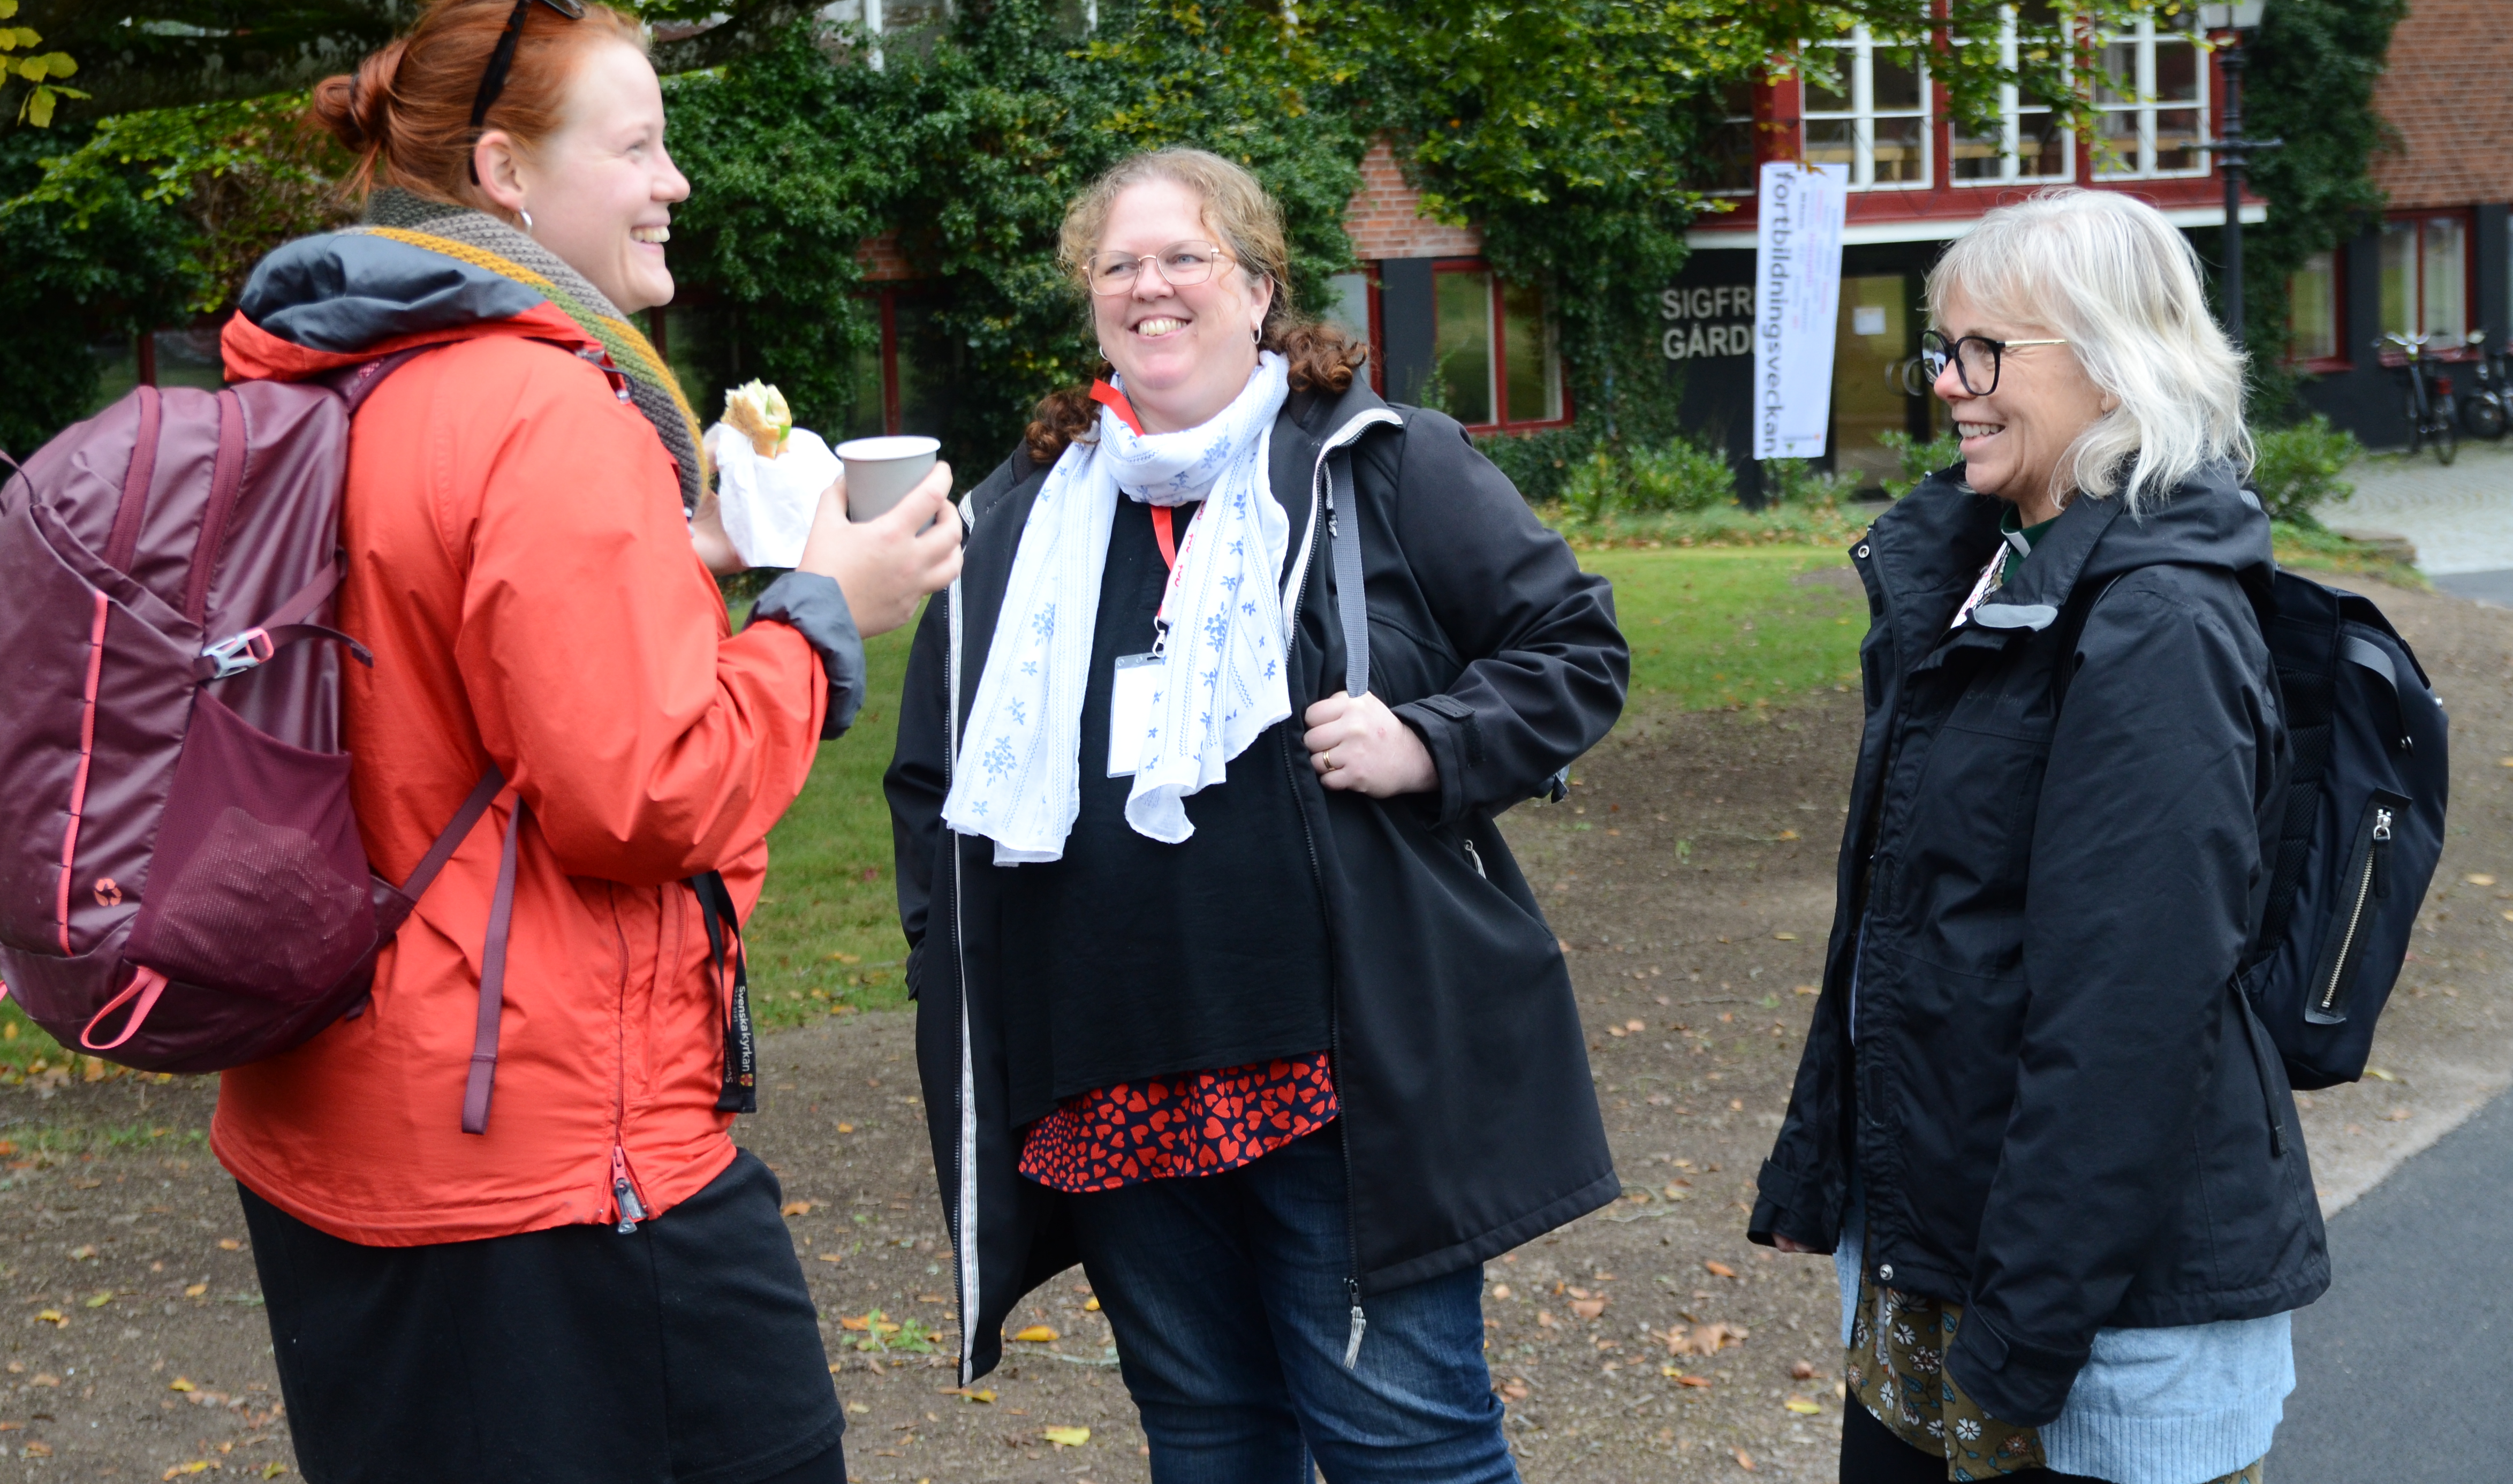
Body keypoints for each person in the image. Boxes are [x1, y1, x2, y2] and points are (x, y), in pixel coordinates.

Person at [209, 0, 962, 1483]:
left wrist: (686, 565)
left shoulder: (323, 380)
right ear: (504, 171)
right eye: (637, 147)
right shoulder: (545, 408)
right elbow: (641, 798)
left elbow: (431, 674)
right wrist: (824, 612)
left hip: (334, 1125)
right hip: (552, 1152)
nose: (674, 182)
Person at [883, 147, 1630, 1482]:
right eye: (1118, 265)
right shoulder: (1014, 518)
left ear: (1260, 288)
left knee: (1404, 1445)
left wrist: (1431, 741)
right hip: (1104, 1071)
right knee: (1209, 1439)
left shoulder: (1377, 460)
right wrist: (951, 961)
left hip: (1334, 1070)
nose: (1149, 287)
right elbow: (931, 784)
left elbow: (1574, 647)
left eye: (1186, 257)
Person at [1750, 187, 2326, 1484]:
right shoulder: (1994, 573)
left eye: (1984, 350)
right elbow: (1906, 918)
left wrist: (2017, 1344)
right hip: (1952, 1258)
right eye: (1943, 348)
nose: (1947, 383)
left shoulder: (2158, 627)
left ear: (2115, 365)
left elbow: (2127, 1020)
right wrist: (1816, 1168)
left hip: (2080, 1315)